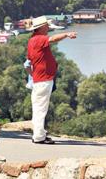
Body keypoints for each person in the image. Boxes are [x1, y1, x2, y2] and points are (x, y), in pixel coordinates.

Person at [27, 16, 77, 144]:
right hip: (43, 79)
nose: (48, 27)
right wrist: (67, 34)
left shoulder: (32, 40)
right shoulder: (39, 39)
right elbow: (53, 39)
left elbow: (28, 63)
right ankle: (39, 137)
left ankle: (40, 133)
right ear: (41, 27)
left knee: (39, 106)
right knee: (41, 108)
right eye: (47, 26)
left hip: (39, 78)